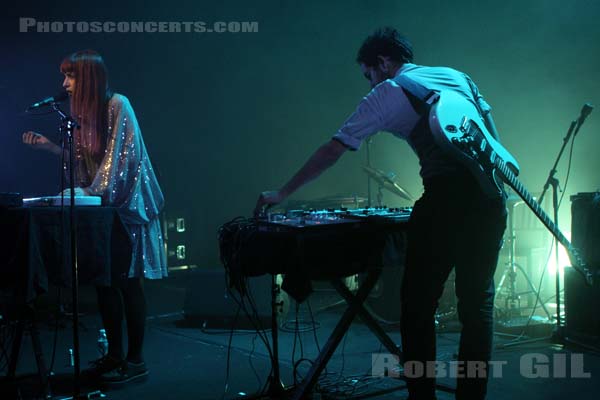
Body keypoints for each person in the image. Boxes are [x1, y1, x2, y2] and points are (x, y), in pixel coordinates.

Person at [254, 27, 507, 400]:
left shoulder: (388, 91)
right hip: (490, 200)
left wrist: (282, 192)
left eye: (368, 73)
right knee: (478, 306)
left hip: (446, 202)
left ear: (384, 63)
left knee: (418, 307)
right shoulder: (457, 76)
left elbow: (333, 150)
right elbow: (494, 142)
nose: (369, 82)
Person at [23, 50, 166, 387]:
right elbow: (85, 163)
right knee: (105, 282)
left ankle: (136, 360)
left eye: (70, 76)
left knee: (127, 283)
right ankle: (114, 355)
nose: (64, 84)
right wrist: (52, 148)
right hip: (103, 208)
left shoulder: (119, 105)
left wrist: (90, 192)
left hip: (127, 207)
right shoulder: (83, 116)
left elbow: (119, 161)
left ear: (87, 78)